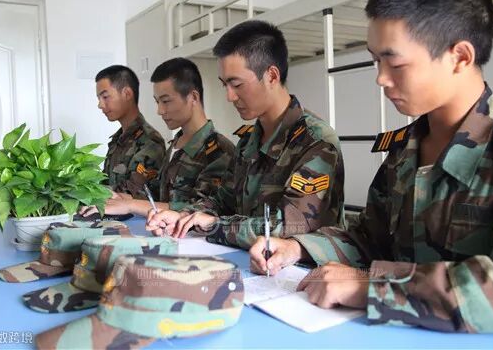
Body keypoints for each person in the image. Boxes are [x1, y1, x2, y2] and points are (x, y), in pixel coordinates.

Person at [249, 0, 493, 337]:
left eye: (394, 62)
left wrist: (374, 288)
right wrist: (297, 247)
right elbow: (369, 238)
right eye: (376, 60)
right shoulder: (404, 150)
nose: (380, 78)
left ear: (460, 57)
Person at [147, 20, 345, 249]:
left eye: (237, 84)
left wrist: (215, 225)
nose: (229, 96)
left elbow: (291, 226)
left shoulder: (315, 141)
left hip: (299, 269)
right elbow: (221, 201)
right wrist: (184, 217)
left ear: (271, 76)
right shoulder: (248, 143)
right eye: (225, 85)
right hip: (247, 261)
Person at [81, 58, 234, 218]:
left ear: (193, 97)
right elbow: (154, 195)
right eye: (157, 102)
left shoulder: (219, 151)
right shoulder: (176, 146)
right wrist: (119, 198)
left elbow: (203, 210)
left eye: (166, 101)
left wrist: (130, 205)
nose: (160, 111)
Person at [95, 65, 166, 199]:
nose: (100, 105)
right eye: (99, 99)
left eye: (105, 97)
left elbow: (134, 193)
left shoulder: (150, 141)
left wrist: (91, 193)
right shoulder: (117, 140)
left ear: (127, 94)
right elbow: (105, 182)